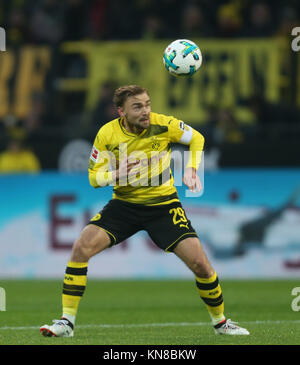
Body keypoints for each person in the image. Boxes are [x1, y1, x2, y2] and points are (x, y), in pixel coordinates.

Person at [40, 85, 249, 337]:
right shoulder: (107, 134)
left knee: (200, 264)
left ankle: (220, 323)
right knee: (81, 247)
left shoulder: (163, 124)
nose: (146, 111)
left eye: (147, 104)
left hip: (163, 206)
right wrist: (118, 173)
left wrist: (192, 169)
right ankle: (66, 323)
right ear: (121, 111)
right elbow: (94, 178)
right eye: (137, 107)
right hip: (124, 205)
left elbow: (197, 138)